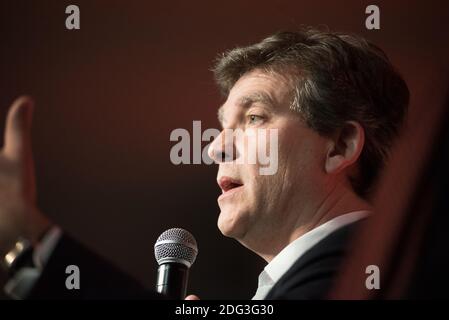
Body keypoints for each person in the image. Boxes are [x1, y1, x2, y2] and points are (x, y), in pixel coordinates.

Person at [0, 28, 409, 300]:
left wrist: (33, 232)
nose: (215, 149)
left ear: (339, 145)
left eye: (253, 118)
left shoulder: (359, 273)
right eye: (220, 127)